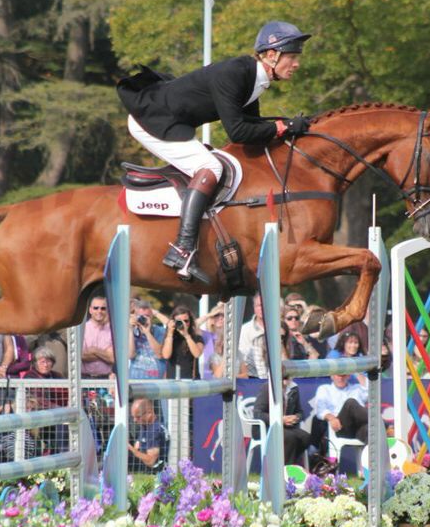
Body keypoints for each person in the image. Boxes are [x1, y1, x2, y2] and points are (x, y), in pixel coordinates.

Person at [117, 21, 312, 283]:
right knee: (212, 167)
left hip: (173, 120)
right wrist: (281, 127)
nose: (297, 64)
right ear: (271, 55)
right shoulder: (235, 73)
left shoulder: (256, 80)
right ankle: (182, 249)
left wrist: (288, 127)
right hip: (151, 121)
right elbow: (239, 132)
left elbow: (253, 125)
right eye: (292, 56)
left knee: (214, 163)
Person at [313, 372, 370, 474]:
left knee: (371, 432)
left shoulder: (356, 388)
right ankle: (382, 425)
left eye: (343, 375)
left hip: (358, 428)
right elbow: (320, 410)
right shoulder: (325, 389)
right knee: (350, 403)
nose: (340, 378)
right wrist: (331, 418)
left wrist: (356, 371)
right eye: (337, 375)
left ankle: (372, 472)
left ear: (348, 376)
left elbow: (370, 390)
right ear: (332, 375)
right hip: (340, 426)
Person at [253, 377, 312, 465]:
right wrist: (280, 419)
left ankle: (289, 465)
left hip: (286, 427)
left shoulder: (294, 388)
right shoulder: (267, 387)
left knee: (305, 437)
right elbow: (258, 413)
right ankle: (284, 470)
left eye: (287, 376)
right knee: (289, 437)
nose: (285, 379)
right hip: (266, 427)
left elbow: (300, 412)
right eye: (283, 376)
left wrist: (295, 418)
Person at [162, 305, 204, 379]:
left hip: (191, 382)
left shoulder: (196, 337)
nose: (183, 324)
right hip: (172, 382)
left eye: (186, 321)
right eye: (179, 321)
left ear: (190, 322)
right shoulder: (170, 337)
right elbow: (166, 355)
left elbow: (197, 354)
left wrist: (187, 335)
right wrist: (170, 333)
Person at [128, 299, 166, 380]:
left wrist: (148, 333)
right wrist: (130, 330)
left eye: (147, 316)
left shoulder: (160, 331)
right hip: (135, 381)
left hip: (156, 383)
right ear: (135, 316)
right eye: (141, 316)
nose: (144, 319)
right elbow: (131, 355)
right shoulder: (129, 332)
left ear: (152, 316)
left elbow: (160, 354)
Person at [128, 398, 168, 473]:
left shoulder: (154, 431)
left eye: (138, 417)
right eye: (133, 417)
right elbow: (137, 446)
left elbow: (151, 461)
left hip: (156, 475)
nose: (135, 420)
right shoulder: (145, 426)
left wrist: (131, 449)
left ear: (149, 413)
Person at [81, 295, 114, 378]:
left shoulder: (112, 331)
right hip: (85, 379)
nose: (99, 311)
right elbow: (80, 356)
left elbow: (112, 358)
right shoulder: (82, 330)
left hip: (105, 379)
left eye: (103, 308)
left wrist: (94, 350)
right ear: (90, 310)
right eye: (96, 308)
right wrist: (104, 354)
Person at [238, 294, 265, 378]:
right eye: (259, 305)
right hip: (252, 378)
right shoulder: (244, 330)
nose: (262, 308)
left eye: (265, 304)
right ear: (254, 308)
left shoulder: (279, 328)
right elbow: (243, 357)